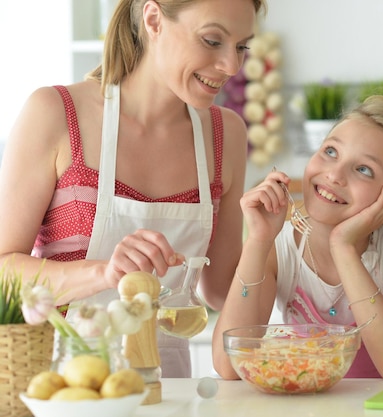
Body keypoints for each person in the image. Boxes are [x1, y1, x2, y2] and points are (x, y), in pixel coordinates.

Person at [0, 0, 266, 378]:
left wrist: (262, 239)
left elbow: (221, 291)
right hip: (63, 388)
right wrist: (103, 274)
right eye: (212, 41)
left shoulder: (226, 134)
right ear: (154, 19)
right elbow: (4, 271)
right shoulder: (55, 112)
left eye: (241, 47)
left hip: (170, 391)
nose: (232, 66)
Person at [212, 95, 383, 380]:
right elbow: (228, 365)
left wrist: (342, 245)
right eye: (331, 152)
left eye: (363, 170)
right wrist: (258, 240)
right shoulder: (279, 244)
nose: (334, 174)